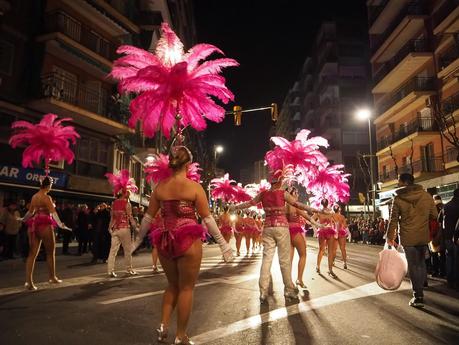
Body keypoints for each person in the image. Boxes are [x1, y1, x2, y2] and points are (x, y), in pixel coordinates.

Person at [138, 146, 232, 345]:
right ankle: (181, 336)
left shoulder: (160, 187)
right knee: (187, 288)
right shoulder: (195, 188)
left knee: (172, 285)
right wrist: (223, 244)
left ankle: (163, 326)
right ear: (188, 164)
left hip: (164, 239)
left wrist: (137, 241)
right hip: (188, 239)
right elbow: (207, 219)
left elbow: (147, 218)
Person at [232, 176, 322, 303]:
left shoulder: (262, 194)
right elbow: (297, 204)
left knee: (266, 259)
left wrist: (235, 207)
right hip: (281, 228)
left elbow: (250, 203)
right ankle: (289, 290)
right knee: (284, 260)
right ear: (279, 182)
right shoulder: (282, 193)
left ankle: (263, 292)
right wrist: (312, 209)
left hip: (267, 228)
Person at [386, 173, 438, 308]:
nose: (398, 184)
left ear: (404, 182)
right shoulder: (426, 196)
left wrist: (390, 237)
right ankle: (422, 285)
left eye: (399, 182)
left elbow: (393, 221)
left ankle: (418, 296)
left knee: (413, 266)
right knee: (421, 263)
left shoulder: (398, 199)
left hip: (408, 237)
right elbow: (434, 215)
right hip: (423, 236)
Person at [21, 177, 70, 290]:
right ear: (48, 186)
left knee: (32, 254)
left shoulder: (34, 197)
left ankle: (29, 282)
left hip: (34, 224)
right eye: (51, 185)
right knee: (50, 252)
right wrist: (60, 224)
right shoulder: (47, 197)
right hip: (45, 225)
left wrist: (23, 219)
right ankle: (52, 277)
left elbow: (30, 212)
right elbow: (54, 213)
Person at [107, 190, 138, 277]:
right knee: (127, 251)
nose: (129, 194)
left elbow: (112, 218)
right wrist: (135, 227)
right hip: (125, 229)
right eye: (128, 192)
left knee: (112, 251)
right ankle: (129, 269)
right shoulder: (127, 204)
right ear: (124, 194)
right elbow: (130, 217)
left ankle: (110, 271)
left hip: (115, 230)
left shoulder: (114, 203)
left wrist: (110, 228)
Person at [285, 187, 310, 289]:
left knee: (289, 260)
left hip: (286, 232)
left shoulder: (283, 205)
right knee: (303, 255)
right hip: (295, 231)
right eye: (297, 193)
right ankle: (299, 279)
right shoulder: (295, 206)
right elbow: (307, 217)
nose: (298, 195)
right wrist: (317, 224)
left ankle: (288, 282)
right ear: (293, 194)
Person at [443, 188, 459, 289]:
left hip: (448, 236)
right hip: (457, 236)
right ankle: (457, 282)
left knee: (449, 257)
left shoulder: (447, 206)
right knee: (457, 260)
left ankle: (450, 280)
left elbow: (442, 222)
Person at [333, 204, 349, 269]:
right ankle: (345, 263)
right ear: (339, 209)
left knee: (334, 249)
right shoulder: (342, 217)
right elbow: (345, 226)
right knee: (343, 248)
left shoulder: (332, 216)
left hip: (334, 233)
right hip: (341, 233)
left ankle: (333, 261)